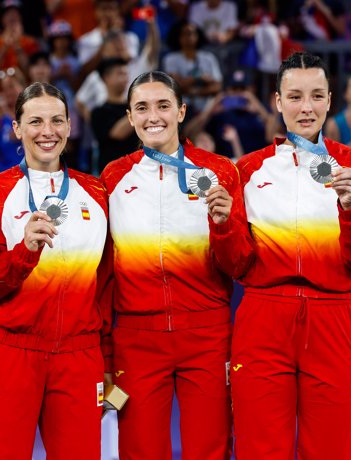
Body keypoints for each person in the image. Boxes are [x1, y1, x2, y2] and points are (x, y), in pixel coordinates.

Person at [231, 52, 351, 460]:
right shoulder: (248, 171)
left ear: (330, 100)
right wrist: (221, 225)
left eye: (317, 96)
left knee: (333, 450)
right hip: (264, 319)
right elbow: (235, 264)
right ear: (278, 101)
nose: (307, 107)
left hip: (333, 318)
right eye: (296, 96)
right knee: (260, 450)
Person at [100, 71, 254, 459]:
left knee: (210, 448)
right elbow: (102, 277)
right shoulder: (113, 178)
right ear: (130, 117)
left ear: (182, 111)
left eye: (164, 105)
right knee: (141, 450)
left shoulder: (219, 171)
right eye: (143, 108)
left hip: (207, 335)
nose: (154, 116)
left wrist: (223, 227)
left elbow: (239, 265)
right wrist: (104, 352)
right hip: (137, 339)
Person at [0, 82, 110, 459]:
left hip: (79, 356)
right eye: (35, 121)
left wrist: (107, 355)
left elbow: (107, 283)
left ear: (69, 127)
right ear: (16, 128)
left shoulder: (96, 193)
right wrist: (25, 251)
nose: (47, 131)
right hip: (11, 352)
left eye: (57, 121)